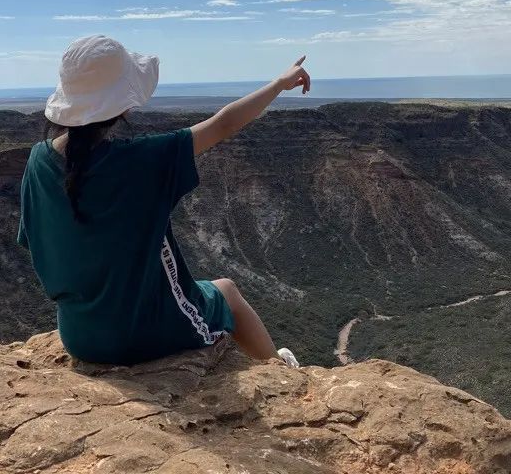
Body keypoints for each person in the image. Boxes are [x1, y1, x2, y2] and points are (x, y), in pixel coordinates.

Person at [17, 34, 309, 367]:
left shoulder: (38, 161)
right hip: (143, 335)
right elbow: (224, 123)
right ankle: (279, 370)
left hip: (80, 336)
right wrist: (278, 84)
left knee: (212, 287)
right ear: (123, 104)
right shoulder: (143, 159)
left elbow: (38, 243)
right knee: (226, 290)